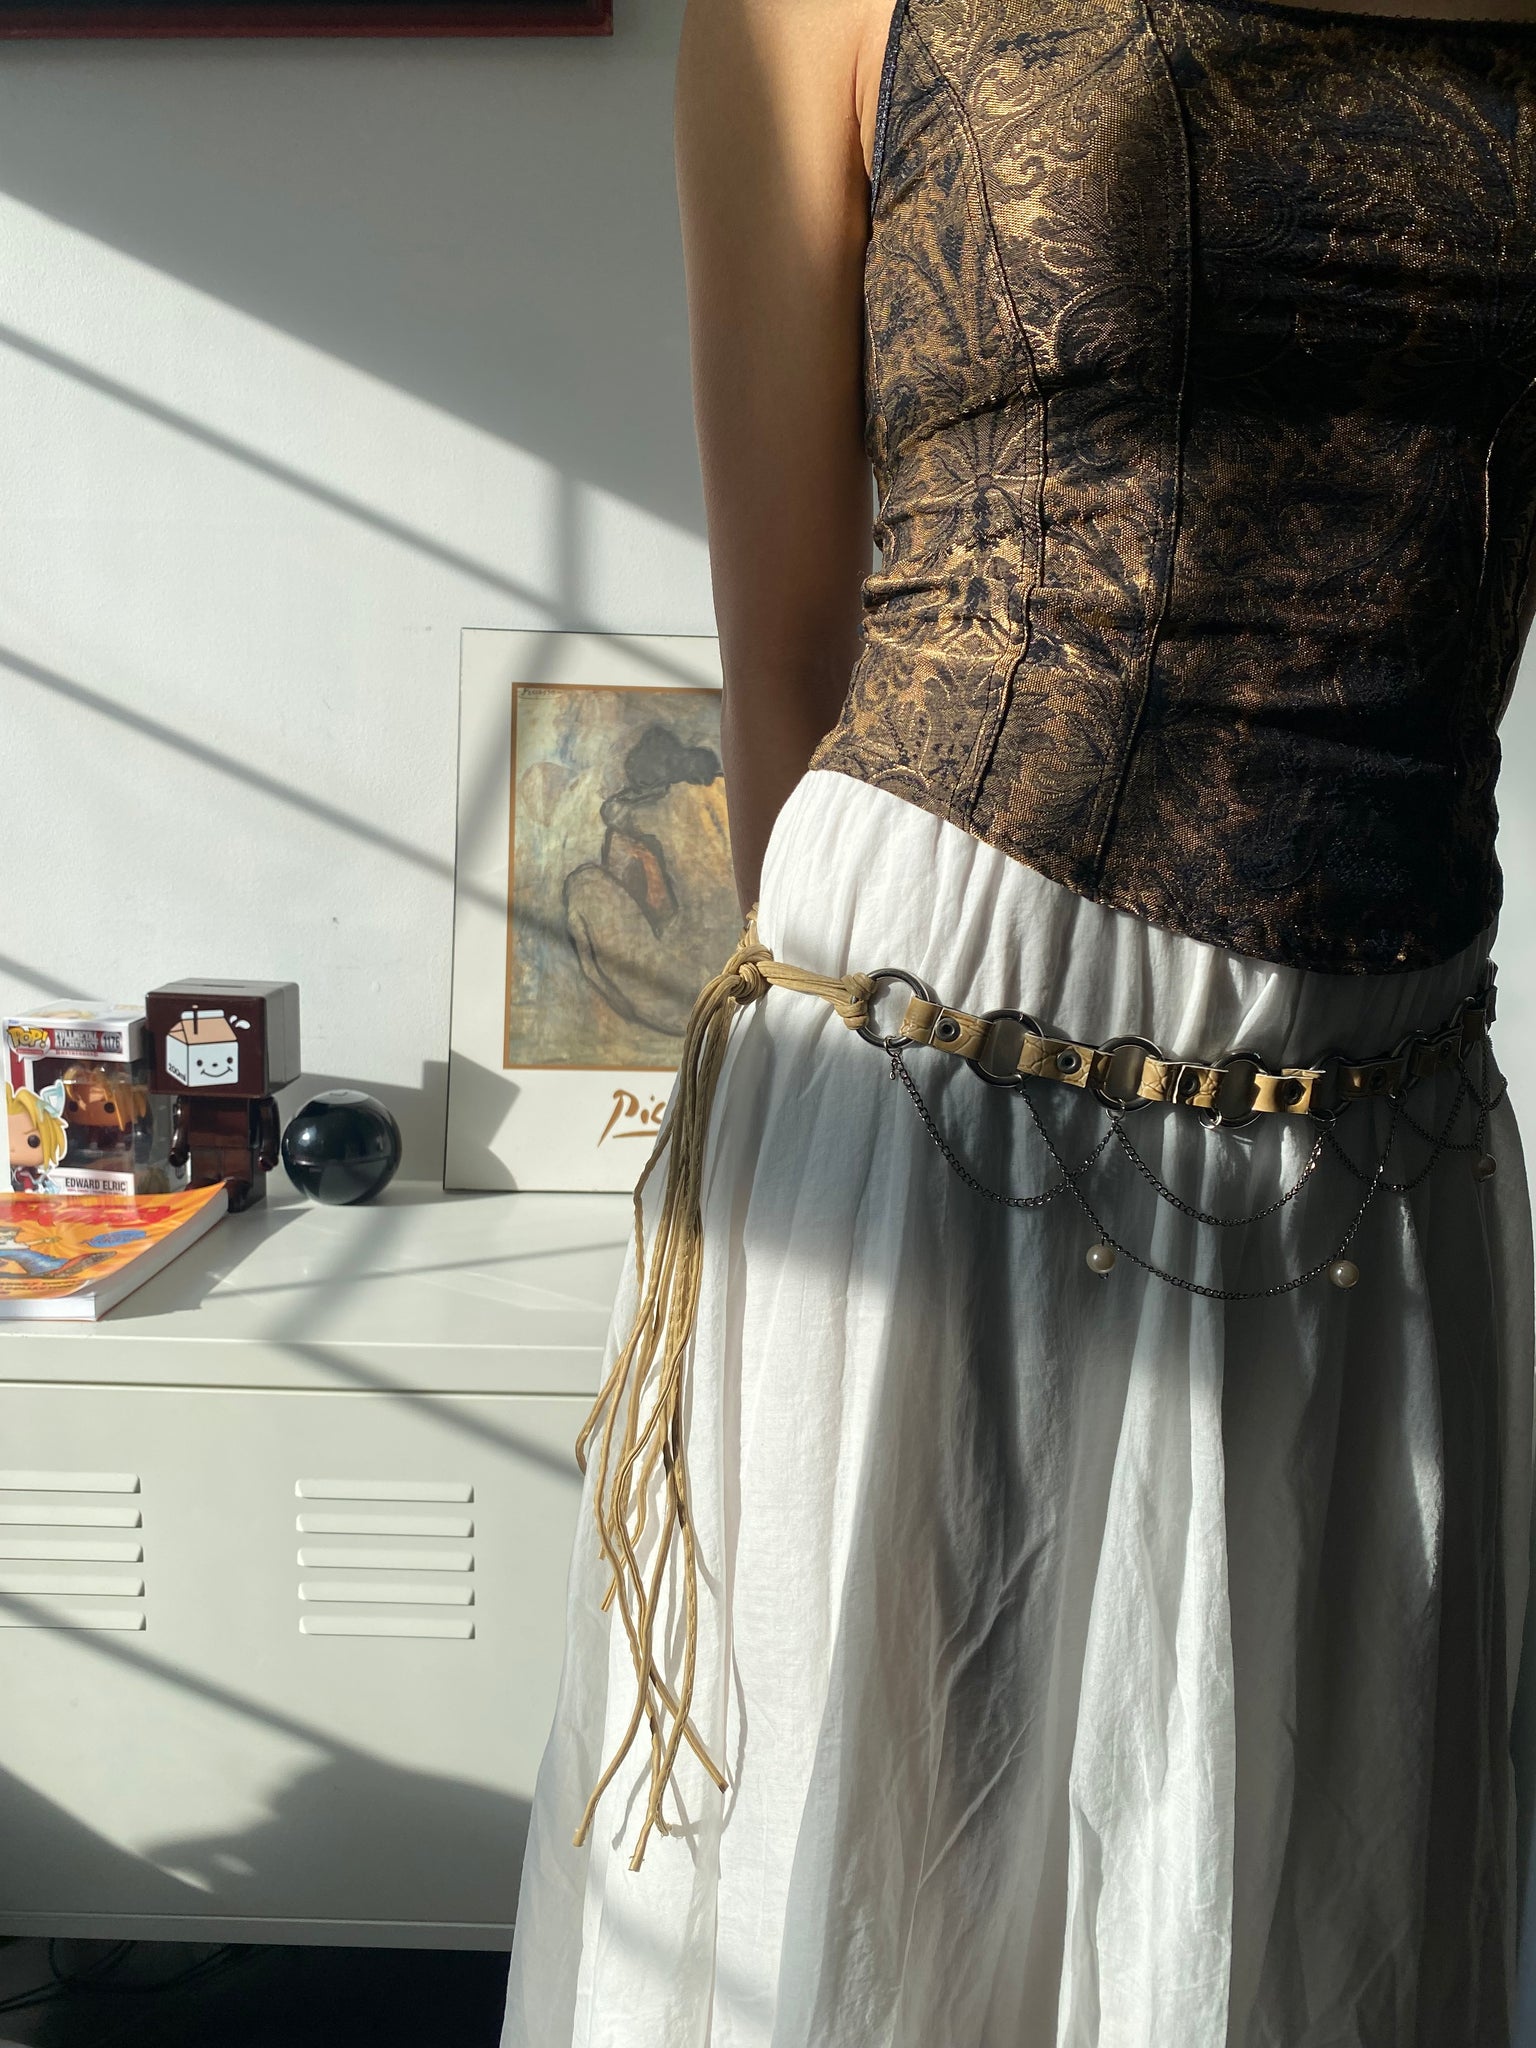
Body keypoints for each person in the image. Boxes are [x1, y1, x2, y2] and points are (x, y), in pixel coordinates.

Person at [502, 1, 1536, 2040]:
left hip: (1390, 1112)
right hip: (961, 1066)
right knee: (895, 1903)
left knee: (1309, 1921)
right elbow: (786, 659)